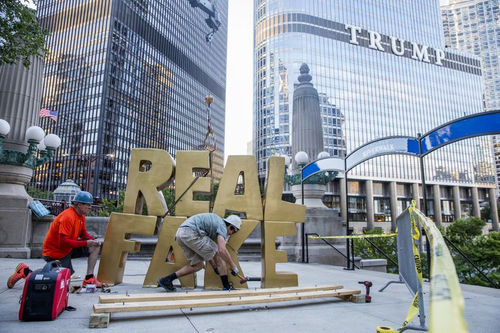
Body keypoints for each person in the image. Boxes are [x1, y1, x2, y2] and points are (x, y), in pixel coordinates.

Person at [7, 191, 102, 289]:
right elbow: (63, 242)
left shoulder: (81, 216)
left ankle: (89, 278)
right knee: (57, 284)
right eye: (88, 205)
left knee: (94, 246)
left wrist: (93, 240)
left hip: (66, 250)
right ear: (79, 204)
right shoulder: (68, 217)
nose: (90, 207)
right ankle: (25, 271)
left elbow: (83, 234)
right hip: (54, 253)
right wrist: (86, 242)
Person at [158, 213, 242, 291]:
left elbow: (206, 251)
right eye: (233, 230)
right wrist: (233, 266)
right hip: (191, 232)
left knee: (198, 265)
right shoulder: (222, 226)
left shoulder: (216, 226)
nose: (231, 234)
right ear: (230, 226)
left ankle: (166, 280)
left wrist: (214, 266)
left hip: (181, 234)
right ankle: (226, 286)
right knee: (218, 252)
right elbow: (222, 250)